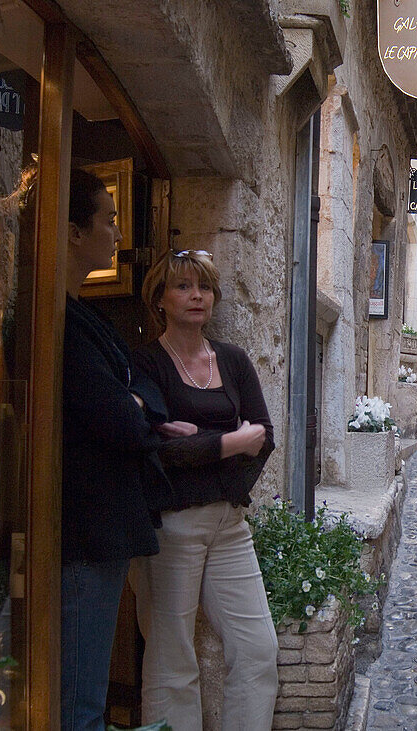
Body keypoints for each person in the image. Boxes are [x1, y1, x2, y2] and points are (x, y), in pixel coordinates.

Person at [131, 250, 278, 731]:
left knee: (258, 649)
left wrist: (204, 447)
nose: (196, 296)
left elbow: (266, 436)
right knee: (172, 658)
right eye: (182, 287)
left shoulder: (232, 360)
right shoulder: (146, 363)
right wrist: (233, 441)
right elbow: (157, 450)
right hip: (173, 525)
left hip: (229, 522)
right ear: (159, 300)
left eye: (205, 288)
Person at [61, 169, 172, 731]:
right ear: (74, 231)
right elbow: (122, 420)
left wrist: (133, 404)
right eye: (108, 220)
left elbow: (140, 399)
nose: (116, 232)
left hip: (99, 529)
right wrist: (133, 407)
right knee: (79, 700)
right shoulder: (57, 319)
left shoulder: (83, 313)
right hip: (84, 528)